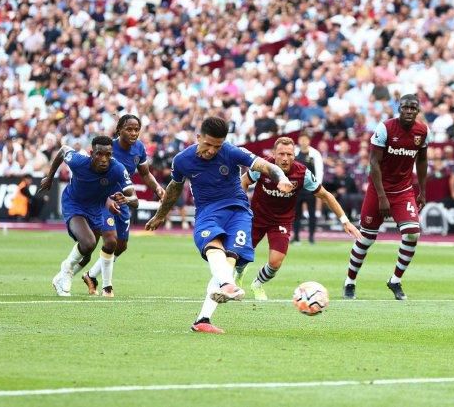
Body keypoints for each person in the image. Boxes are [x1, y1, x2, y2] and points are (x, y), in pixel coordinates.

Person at [145, 117, 293, 334]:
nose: (212, 151)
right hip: (208, 213)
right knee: (215, 249)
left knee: (229, 260)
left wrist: (281, 177)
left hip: (238, 212)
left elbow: (265, 165)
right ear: (198, 138)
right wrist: (161, 214)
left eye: (217, 146)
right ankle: (226, 285)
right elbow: (175, 188)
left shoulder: (232, 152)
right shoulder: (182, 160)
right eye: (208, 144)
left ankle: (203, 319)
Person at [239, 137, 362, 300]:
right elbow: (244, 182)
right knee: (240, 256)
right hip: (257, 217)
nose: (285, 158)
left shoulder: (302, 173)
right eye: (281, 153)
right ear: (274, 154)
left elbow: (325, 195)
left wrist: (345, 221)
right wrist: (240, 208)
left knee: (275, 263)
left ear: (294, 155)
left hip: (281, 221)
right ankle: (238, 274)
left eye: (289, 154)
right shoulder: (262, 166)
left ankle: (257, 284)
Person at [343, 94, 428, 300]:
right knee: (366, 239)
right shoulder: (385, 128)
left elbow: (422, 161)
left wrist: (422, 191)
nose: (409, 111)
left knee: (412, 233)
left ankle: (395, 280)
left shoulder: (422, 131)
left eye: (413, 108)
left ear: (417, 111)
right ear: (399, 109)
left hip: (403, 190)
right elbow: (373, 163)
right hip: (378, 189)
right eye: (405, 107)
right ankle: (350, 282)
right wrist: (382, 197)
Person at [39, 136, 138, 297]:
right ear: (92, 153)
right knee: (88, 242)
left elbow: (135, 199)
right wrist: (50, 177)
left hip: (96, 208)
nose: (104, 159)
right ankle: (66, 269)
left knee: (87, 253)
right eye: (100, 154)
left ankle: (63, 276)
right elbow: (63, 150)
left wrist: (127, 199)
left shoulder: (117, 168)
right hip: (74, 204)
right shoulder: (79, 162)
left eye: (108, 154)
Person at [81, 114, 165, 297]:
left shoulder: (139, 148)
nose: (134, 133)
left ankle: (90, 275)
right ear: (119, 130)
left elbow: (145, 173)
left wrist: (158, 188)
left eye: (137, 129)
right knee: (110, 241)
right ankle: (107, 287)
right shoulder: (107, 149)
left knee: (121, 245)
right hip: (105, 199)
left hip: (124, 200)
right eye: (129, 129)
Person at [292, 133, 323, 244]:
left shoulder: (315, 154)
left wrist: (317, 187)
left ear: (309, 141)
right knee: (296, 214)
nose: (303, 142)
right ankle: (295, 236)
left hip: (310, 188)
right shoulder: (294, 152)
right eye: (302, 139)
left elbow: (319, 171)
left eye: (306, 139)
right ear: (299, 140)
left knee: (311, 213)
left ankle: (311, 237)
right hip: (296, 188)